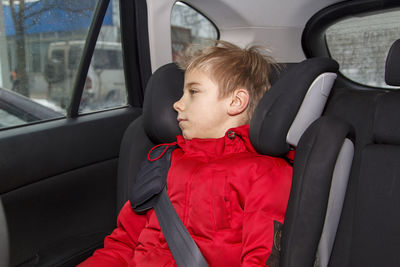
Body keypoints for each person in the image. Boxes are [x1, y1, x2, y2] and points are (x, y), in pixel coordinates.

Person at [79, 41, 292, 267]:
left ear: (236, 101)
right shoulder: (162, 163)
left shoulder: (264, 173)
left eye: (193, 91)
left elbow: (261, 259)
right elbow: (123, 244)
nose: (177, 104)